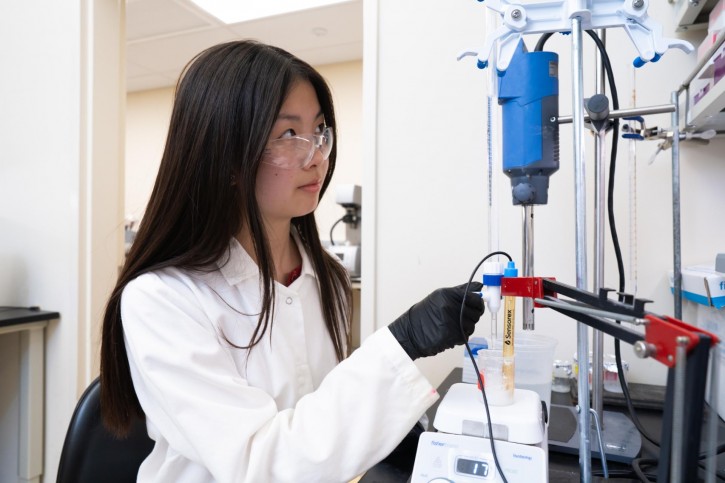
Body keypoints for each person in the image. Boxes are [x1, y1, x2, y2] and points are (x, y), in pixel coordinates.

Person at [100, 40, 484, 482]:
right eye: (288, 135)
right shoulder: (163, 299)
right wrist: (404, 341)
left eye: (320, 130)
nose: (316, 155)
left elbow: (325, 417)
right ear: (226, 155)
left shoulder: (326, 277)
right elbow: (260, 464)